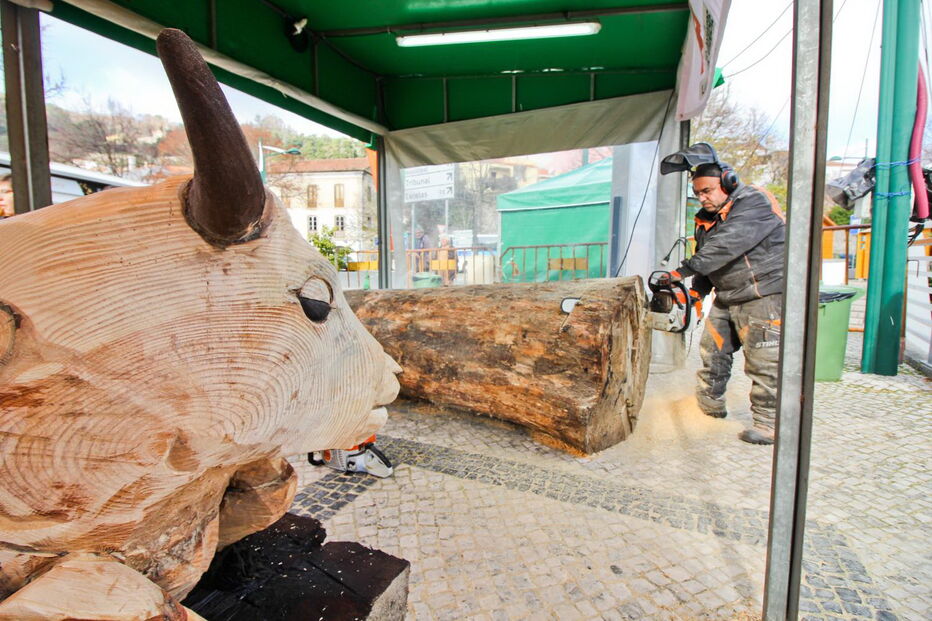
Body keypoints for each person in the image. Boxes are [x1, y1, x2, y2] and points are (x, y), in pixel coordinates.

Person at [668, 153, 786, 445]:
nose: (702, 198)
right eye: (697, 193)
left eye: (707, 190)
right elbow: (711, 260)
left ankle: (769, 424)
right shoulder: (707, 219)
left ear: (728, 181)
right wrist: (696, 291)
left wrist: (680, 272)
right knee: (712, 351)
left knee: (764, 361)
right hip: (728, 294)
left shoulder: (754, 202)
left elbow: (727, 246)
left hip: (763, 293)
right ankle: (709, 408)